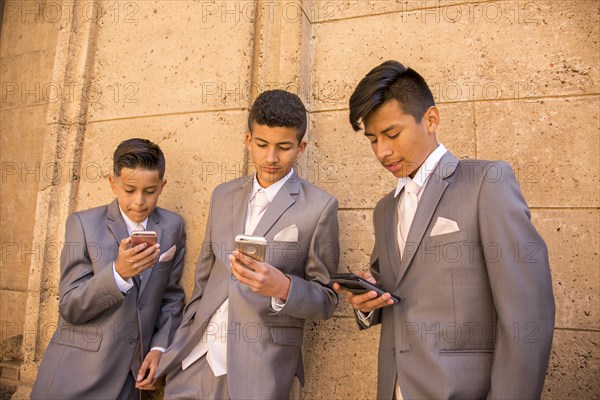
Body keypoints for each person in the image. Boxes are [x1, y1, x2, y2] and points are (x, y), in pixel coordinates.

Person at [333, 60, 555, 399]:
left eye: (392, 134)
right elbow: (392, 291)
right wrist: (365, 303)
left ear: (431, 119)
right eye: (373, 140)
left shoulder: (487, 183)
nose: (383, 151)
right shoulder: (384, 209)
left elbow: (528, 315)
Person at [156, 89, 340, 400]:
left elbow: (326, 299)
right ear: (247, 140)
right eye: (262, 144)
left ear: (301, 147)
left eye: (283, 147)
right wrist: (179, 338)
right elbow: (204, 277)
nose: (271, 157)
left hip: (259, 371)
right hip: (193, 360)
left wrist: (283, 287)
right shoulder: (222, 194)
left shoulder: (320, 207)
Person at [31, 138, 186, 399]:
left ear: (162, 185)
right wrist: (119, 274)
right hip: (77, 374)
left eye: (149, 191)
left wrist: (160, 348)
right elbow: (70, 306)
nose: (139, 201)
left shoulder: (173, 226)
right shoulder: (82, 224)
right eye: (129, 190)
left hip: (131, 378)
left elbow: (171, 296)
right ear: (113, 183)